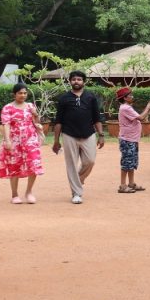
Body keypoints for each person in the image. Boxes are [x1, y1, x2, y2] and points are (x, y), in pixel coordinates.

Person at [52, 71, 104, 204]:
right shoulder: (64, 98)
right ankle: (76, 193)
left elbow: (97, 118)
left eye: (79, 79)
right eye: (74, 79)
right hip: (69, 135)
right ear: (70, 81)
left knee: (90, 161)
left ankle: (78, 180)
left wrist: (101, 135)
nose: (76, 81)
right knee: (71, 165)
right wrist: (56, 141)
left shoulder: (91, 97)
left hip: (88, 134)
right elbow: (58, 121)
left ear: (84, 82)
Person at [0, 82, 45, 204]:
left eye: (24, 93)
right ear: (14, 94)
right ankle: (14, 194)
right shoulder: (7, 108)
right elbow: (6, 125)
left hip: (30, 139)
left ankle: (29, 192)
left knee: (34, 164)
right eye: (20, 93)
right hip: (14, 140)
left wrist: (35, 114)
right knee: (14, 165)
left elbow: (37, 121)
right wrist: (7, 141)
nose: (23, 95)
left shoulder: (30, 106)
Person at [115, 87, 150, 194]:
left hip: (132, 139)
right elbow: (141, 118)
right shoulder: (125, 108)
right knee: (126, 162)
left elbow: (140, 117)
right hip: (127, 140)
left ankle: (131, 183)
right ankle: (122, 185)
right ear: (125, 98)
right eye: (130, 95)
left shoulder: (127, 107)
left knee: (132, 162)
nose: (132, 96)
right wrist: (148, 107)